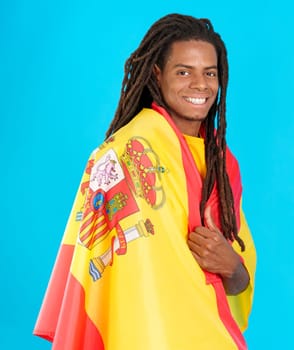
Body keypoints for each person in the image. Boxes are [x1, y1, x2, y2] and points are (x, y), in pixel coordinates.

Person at [34, 14, 256, 350]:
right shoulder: (123, 154)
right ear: (157, 74)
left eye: (209, 73)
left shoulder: (222, 164)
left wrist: (231, 266)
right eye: (184, 72)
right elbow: (105, 266)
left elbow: (238, 283)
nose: (200, 85)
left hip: (212, 337)